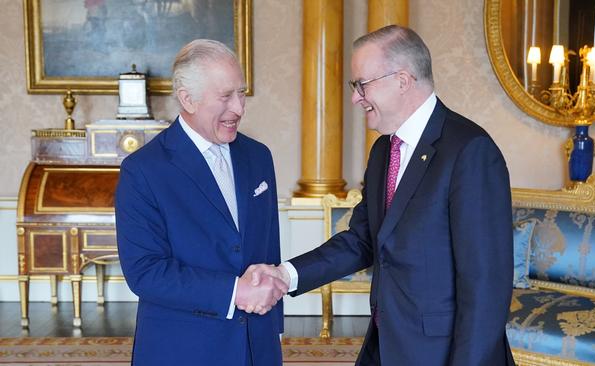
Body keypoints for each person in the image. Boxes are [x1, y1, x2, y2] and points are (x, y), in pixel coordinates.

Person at [246, 25, 515, 365]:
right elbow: (362, 241)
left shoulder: (469, 150)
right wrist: (286, 275)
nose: (355, 98)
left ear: (402, 80)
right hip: (387, 344)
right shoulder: (384, 151)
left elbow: (486, 285)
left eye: (361, 84)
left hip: (444, 353)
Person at [115, 39, 287, 366]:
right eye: (225, 96)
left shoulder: (258, 156)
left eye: (241, 93)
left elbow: (269, 248)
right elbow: (146, 272)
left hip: (257, 345)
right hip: (183, 349)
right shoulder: (143, 170)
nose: (239, 108)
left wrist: (272, 329)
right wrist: (234, 292)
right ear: (187, 99)